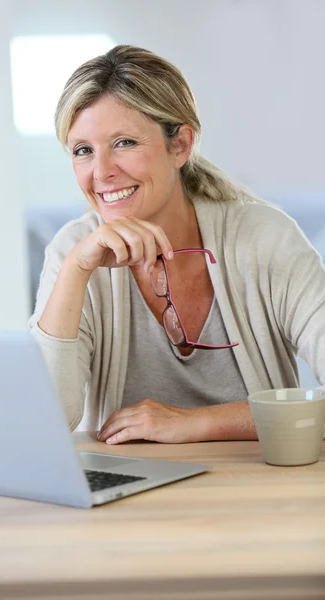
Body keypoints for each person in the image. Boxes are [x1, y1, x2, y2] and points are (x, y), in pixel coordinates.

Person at [29, 45, 325, 445]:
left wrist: (196, 422)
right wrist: (76, 271)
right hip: (127, 497)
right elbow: (40, 423)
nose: (102, 172)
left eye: (124, 143)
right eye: (83, 151)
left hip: (258, 490)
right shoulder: (72, 252)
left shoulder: (264, 238)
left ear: (180, 145)